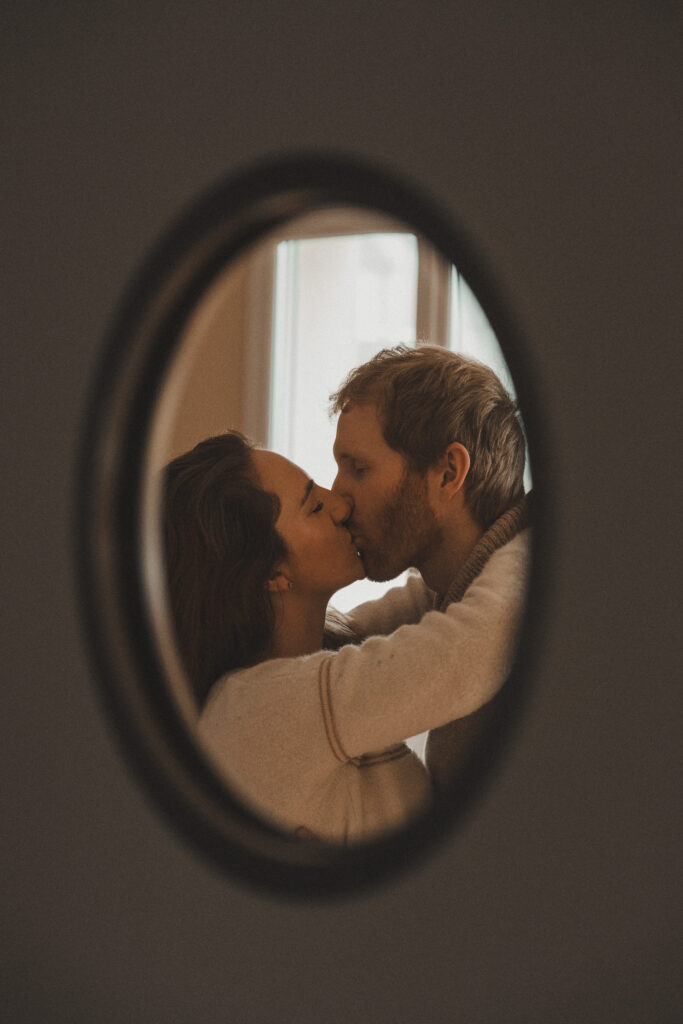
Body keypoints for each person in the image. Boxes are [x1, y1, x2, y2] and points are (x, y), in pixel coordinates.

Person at [163, 427, 528, 844]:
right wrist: (541, 527)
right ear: (271, 573)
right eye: (314, 506)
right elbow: (472, 648)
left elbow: (434, 599)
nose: (340, 504)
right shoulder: (261, 710)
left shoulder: (310, 660)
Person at [328, 344, 530, 793]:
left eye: (358, 469)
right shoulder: (447, 584)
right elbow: (340, 642)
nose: (337, 500)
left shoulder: (527, 580)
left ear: (448, 474)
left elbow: (458, 657)